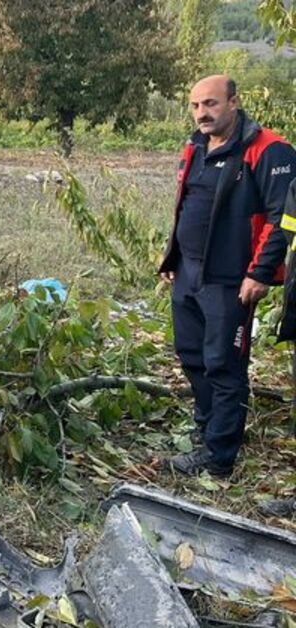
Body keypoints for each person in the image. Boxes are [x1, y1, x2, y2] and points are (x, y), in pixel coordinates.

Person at [158, 75, 296, 477]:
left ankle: (220, 457)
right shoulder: (194, 145)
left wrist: (259, 273)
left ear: (234, 103)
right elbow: (187, 204)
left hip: (232, 280)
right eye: (196, 105)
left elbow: (283, 218)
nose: (202, 113)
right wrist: (173, 257)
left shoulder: (269, 149)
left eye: (211, 104)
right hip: (189, 274)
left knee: (223, 363)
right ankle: (210, 430)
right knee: (192, 356)